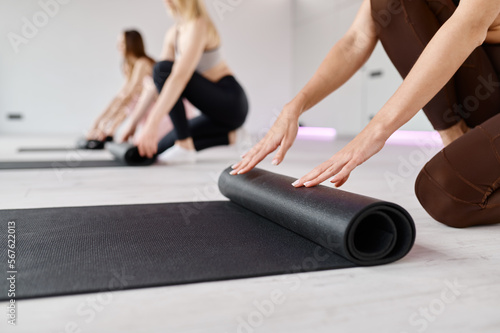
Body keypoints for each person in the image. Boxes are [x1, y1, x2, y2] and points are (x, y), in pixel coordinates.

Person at [231, 0, 500, 228]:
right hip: (487, 93)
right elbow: (355, 41)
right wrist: (295, 106)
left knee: (444, 191)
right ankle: (454, 136)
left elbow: (468, 27)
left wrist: (375, 132)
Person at [136, 0, 249, 164]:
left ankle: (184, 146)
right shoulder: (173, 33)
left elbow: (178, 77)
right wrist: (132, 127)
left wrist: (152, 122)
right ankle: (232, 136)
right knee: (161, 147)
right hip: (211, 112)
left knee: (162, 68)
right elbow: (158, 83)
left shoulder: (199, 25)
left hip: (231, 102)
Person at [87, 30, 172, 145]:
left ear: (131, 44)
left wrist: (103, 123)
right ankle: (109, 131)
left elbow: (129, 95)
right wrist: (99, 122)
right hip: (145, 113)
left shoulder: (142, 63)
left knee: (132, 98)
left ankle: (109, 131)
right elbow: (121, 95)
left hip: (162, 114)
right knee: (129, 99)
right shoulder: (129, 66)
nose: (118, 47)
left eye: (122, 43)